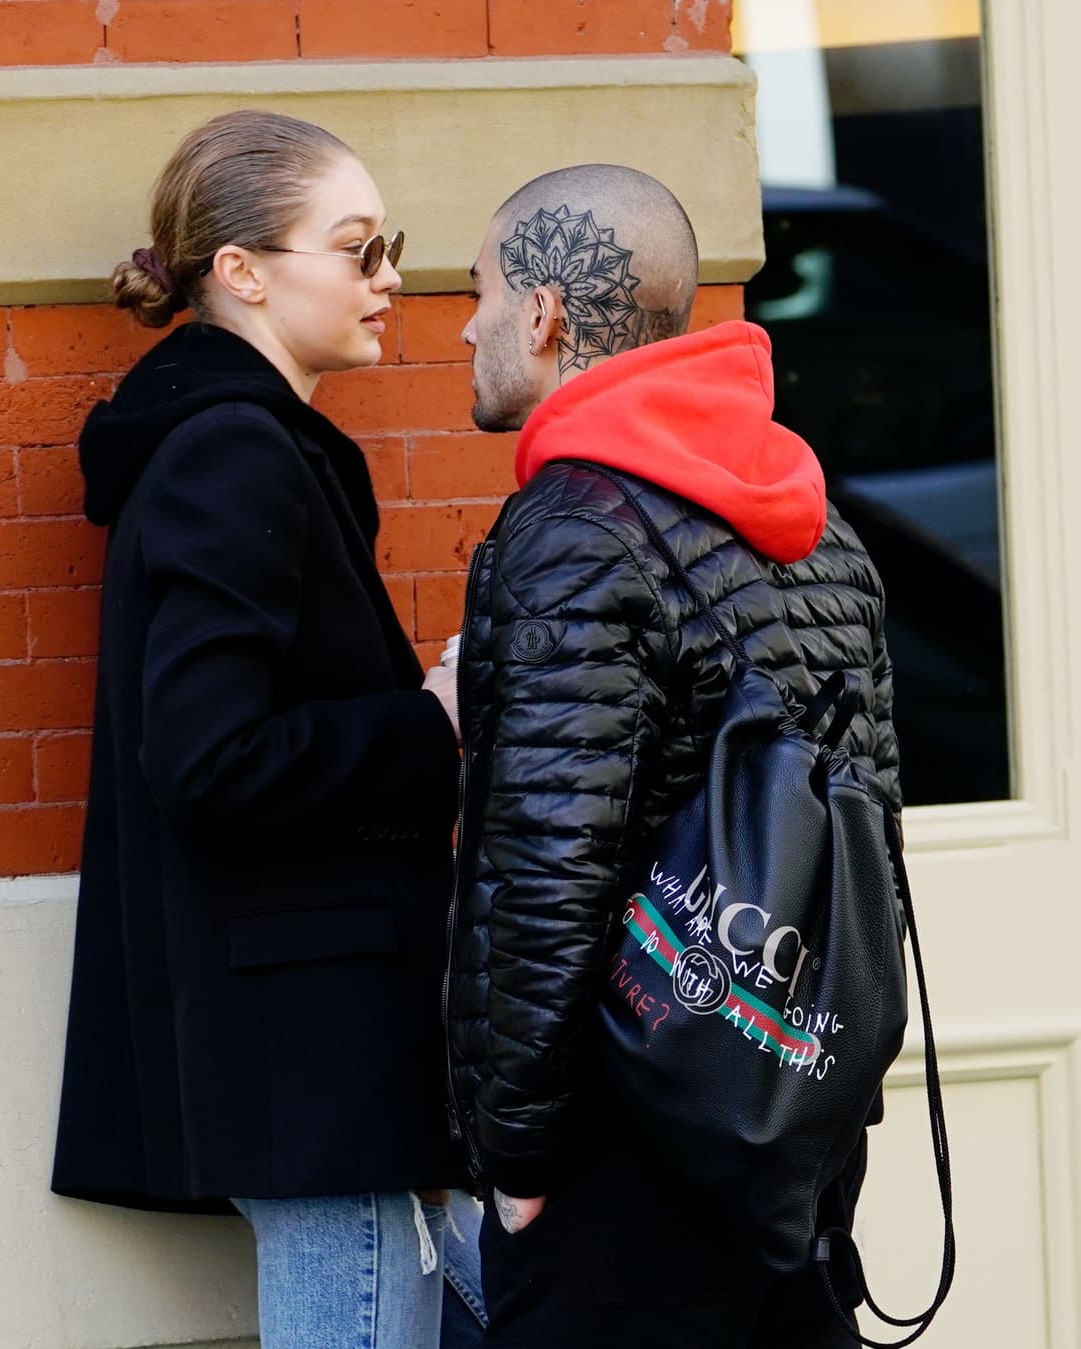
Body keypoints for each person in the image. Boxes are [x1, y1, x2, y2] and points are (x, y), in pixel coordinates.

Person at [444, 163, 902, 1347]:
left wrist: (517, 1155)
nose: (465, 322)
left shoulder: (569, 531)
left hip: (623, 1144)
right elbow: (869, 857)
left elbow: (546, 869)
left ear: (543, 314)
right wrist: (826, 1119)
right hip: (778, 1115)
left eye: (482, 291)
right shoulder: (818, 527)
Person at [51, 110, 485, 1349]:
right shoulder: (231, 456)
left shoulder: (252, 446)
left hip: (324, 1024)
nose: (391, 276)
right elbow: (206, 757)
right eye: (357, 246)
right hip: (302, 1033)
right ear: (240, 270)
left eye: (387, 243)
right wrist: (427, 720)